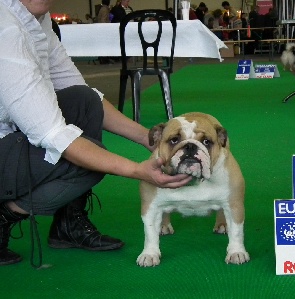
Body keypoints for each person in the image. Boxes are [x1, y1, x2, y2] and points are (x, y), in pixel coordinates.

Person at [0, 0, 192, 266]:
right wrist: (137, 170)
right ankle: (4, 214)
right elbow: (55, 136)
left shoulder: (36, 18)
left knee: (84, 100)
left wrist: (151, 139)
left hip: (11, 134)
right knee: (89, 163)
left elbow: (81, 92)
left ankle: (68, 225)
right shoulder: (6, 28)